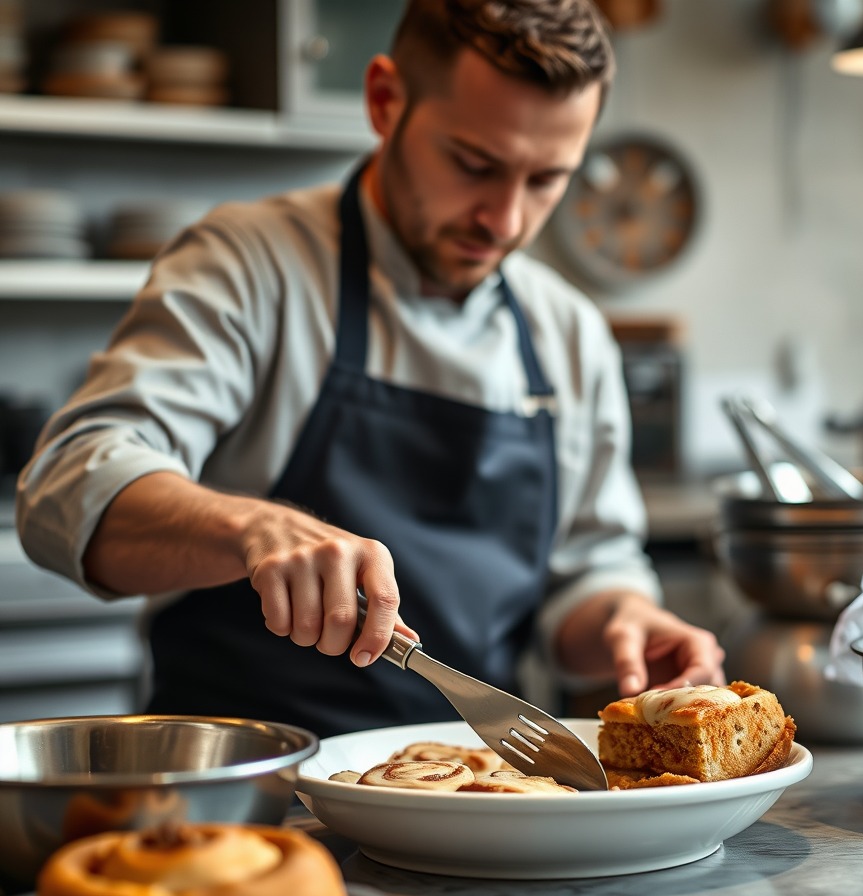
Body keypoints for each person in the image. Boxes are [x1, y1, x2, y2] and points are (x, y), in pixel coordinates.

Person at [16, 0, 724, 738]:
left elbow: (584, 574)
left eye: (547, 179)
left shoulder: (568, 331)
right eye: (474, 164)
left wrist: (624, 620)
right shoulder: (249, 264)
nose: (505, 220)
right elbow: (68, 482)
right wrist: (250, 530)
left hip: (471, 795)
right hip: (249, 797)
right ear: (385, 101)